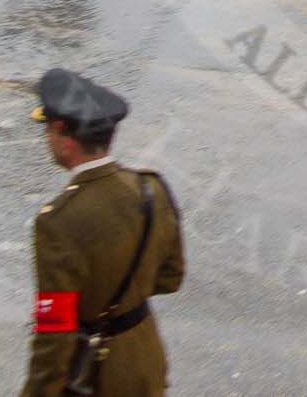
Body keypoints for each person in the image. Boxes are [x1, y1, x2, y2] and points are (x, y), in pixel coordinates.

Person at [22, 68, 185, 397]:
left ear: (63, 135)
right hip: (145, 362)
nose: (47, 142)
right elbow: (170, 277)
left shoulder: (59, 222)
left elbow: (56, 331)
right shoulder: (151, 188)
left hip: (95, 376)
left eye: (48, 132)